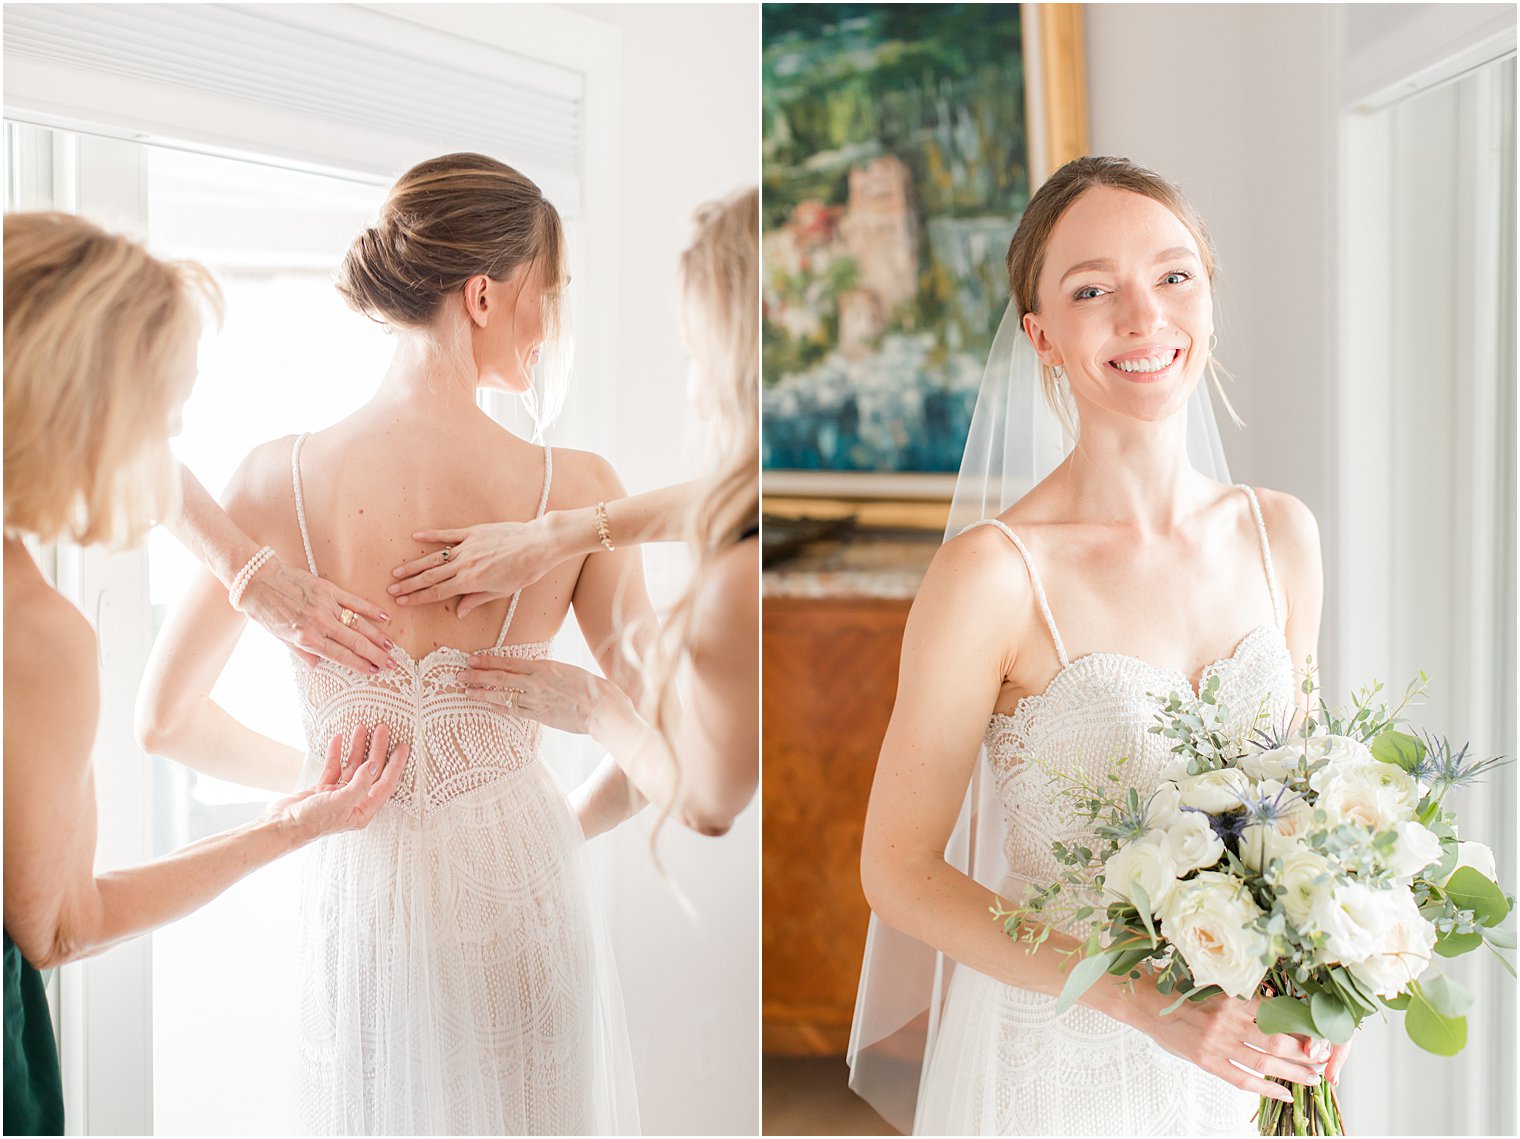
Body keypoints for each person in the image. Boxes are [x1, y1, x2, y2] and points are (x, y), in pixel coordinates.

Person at [136, 153, 647, 1134]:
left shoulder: (266, 480)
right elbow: (670, 743)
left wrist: (330, 780)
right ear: (487, 294)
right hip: (521, 902)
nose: (553, 324)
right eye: (554, 293)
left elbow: (163, 721)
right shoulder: (577, 488)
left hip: (361, 900)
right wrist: (549, 830)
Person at [849, 157, 1349, 1135]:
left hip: (1247, 1056)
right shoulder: (990, 576)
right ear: (1040, 335)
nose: (1141, 315)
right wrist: (1140, 998)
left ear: (1207, 297)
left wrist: (1329, 978)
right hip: (1060, 1065)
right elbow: (897, 867)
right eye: (1091, 289)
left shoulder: (1279, 534)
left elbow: (1301, 807)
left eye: (1171, 275)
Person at [2, 211, 406, 1137]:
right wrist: (292, 828)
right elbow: (60, 925)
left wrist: (243, 567)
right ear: (80, 412)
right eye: (161, 424)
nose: (167, 462)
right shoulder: (37, 639)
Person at [421, 189, 761, 840]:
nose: (694, 395)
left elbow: (707, 800)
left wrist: (597, 707)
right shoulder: (584, 490)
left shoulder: (731, 583)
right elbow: (738, 493)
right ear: (480, 298)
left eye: (694, 353)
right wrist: (560, 531)